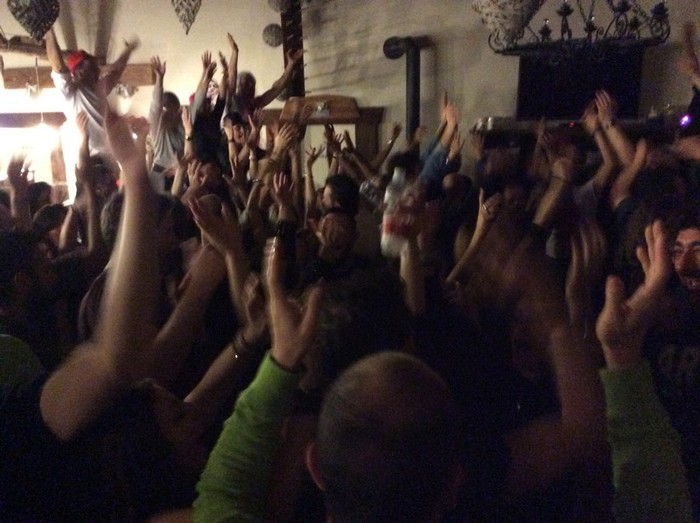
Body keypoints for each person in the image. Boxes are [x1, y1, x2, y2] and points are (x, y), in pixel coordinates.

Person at [45, 26, 139, 157]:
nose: (93, 72)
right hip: (88, 156)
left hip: (107, 156)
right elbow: (58, 66)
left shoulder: (99, 87)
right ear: (77, 74)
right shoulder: (70, 93)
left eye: (93, 68)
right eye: (88, 68)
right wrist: (49, 31)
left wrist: (128, 50)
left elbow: (117, 71)